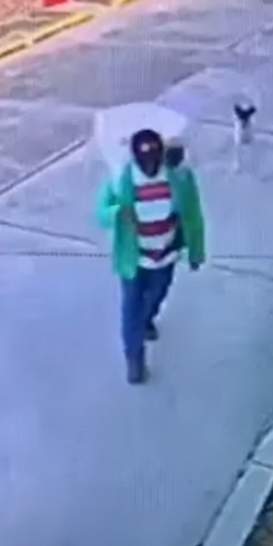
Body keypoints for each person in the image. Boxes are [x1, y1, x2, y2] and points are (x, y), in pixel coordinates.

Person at [97, 129, 206, 384]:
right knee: (131, 309)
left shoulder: (180, 177)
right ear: (134, 155)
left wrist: (196, 250)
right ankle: (134, 360)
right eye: (143, 159)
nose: (149, 165)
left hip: (165, 255)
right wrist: (115, 213)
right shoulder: (120, 179)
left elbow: (193, 215)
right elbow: (100, 212)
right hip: (134, 260)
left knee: (158, 294)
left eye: (154, 158)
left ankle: (148, 319)